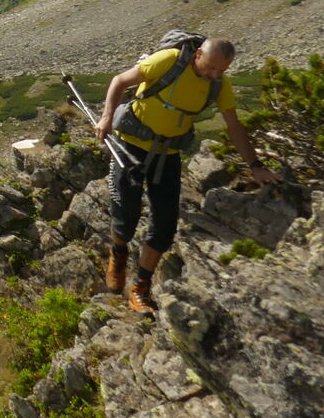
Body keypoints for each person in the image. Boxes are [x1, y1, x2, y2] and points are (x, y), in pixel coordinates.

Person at [92, 35, 279, 315]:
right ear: (198, 54)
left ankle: (140, 287)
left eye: (222, 70)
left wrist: (255, 165)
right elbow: (120, 81)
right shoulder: (169, 61)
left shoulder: (219, 84)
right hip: (130, 143)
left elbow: (233, 125)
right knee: (125, 216)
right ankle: (118, 253)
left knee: (165, 224)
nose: (215, 75)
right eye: (211, 67)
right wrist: (107, 117)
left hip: (167, 153)